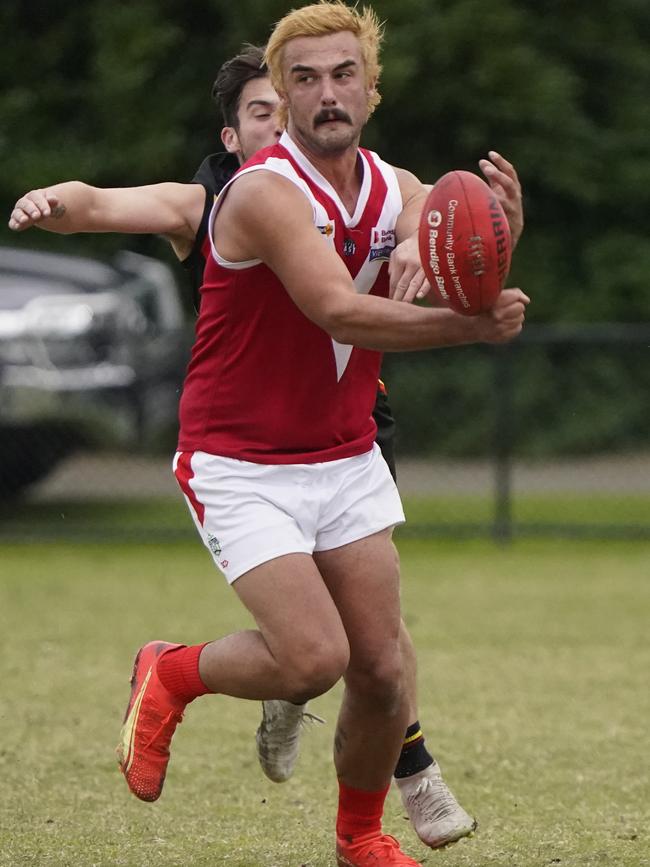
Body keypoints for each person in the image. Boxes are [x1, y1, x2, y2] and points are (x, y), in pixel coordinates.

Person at [8, 5, 529, 864]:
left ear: (370, 88)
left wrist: (498, 230)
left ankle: (360, 835)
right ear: (279, 99)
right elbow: (338, 307)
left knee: (386, 670)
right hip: (239, 460)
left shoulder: (393, 186)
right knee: (310, 658)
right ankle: (171, 670)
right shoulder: (261, 193)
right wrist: (470, 328)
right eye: (304, 79)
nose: (327, 94)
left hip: (346, 453)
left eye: (343, 75)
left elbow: (452, 252)